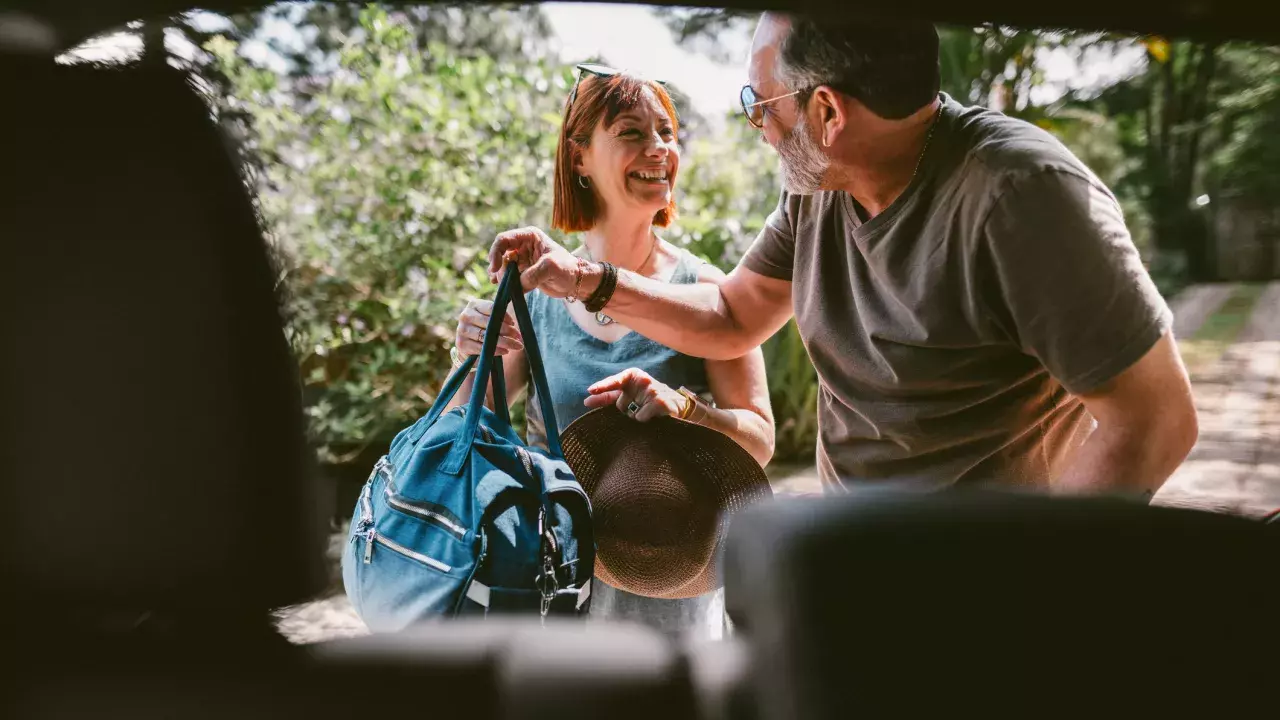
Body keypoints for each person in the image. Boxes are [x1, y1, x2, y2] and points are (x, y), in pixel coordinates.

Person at [487, 14, 1199, 499]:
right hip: (860, 567)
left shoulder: (1022, 195)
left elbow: (1156, 420)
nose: (756, 125)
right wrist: (586, 279)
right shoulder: (818, 187)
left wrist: (1036, 576)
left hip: (984, 584)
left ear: (827, 112)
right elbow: (732, 314)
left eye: (759, 103)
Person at [448, 64, 775, 638]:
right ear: (578, 157)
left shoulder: (705, 293)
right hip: (551, 579)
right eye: (631, 132)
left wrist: (683, 410)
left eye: (667, 133)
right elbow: (461, 433)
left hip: (670, 588)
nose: (660, 149)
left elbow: (760, 440)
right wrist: (468, 358)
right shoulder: (536, 295)